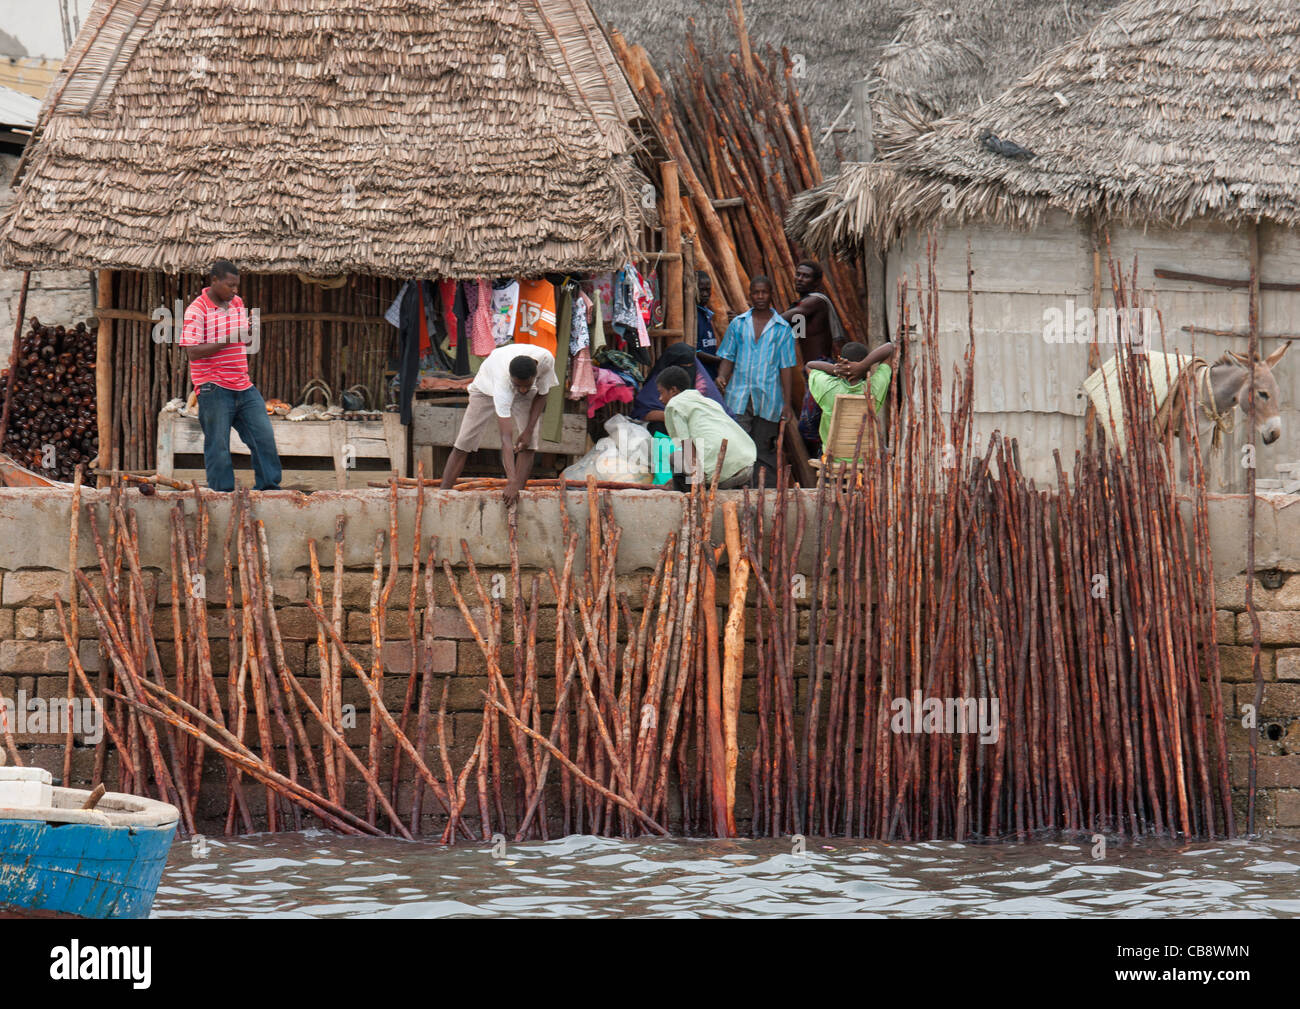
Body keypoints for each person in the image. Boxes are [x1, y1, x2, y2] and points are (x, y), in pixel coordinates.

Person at [180, 260, 282, 492]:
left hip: (243, 386)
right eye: (230, 285)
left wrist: (247, 333)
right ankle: (221, 497)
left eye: (236, 286)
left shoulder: (237, 302)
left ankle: (269, 490)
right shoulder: (197, 309)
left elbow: (243, 340)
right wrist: (229, 336)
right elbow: (193, 352)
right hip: (213, 388)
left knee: (264, 438)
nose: (235, 291)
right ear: (214, 281)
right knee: (218, 447)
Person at [439, 343, 557, 505]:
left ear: (535, 374)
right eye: (518, 385)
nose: (522, 390)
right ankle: (442, 495)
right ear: (511, 378)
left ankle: (516, 496)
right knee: (464, 441)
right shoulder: (503, 381)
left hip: (525, 387)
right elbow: (506, 438)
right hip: (484, 390)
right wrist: (511, 480)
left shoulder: (546, 360)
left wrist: (528, 430)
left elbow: (542, 393)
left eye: (526, 385)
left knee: (529, 444)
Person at [715, 275, 797, 478]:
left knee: (763, 450)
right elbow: (728, 356)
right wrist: (721, 377)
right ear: (750, 295)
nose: (760, 296)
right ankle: (739, 491)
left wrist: (787, 403)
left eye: (764, 292)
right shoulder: (738, 324)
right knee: (738, 446)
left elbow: (786, 367)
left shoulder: (782, 329)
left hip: (768, 398)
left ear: (771, 295)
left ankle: (764, 495)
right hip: (738, 395)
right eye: (756, 292)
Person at [657, 365, 755, 490]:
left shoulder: (675, 405)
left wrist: (694, 478)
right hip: (747, 467)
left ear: (673, 390)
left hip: (722, 474)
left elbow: (686, 444)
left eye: (661, 393)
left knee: (675, 457)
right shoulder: (708, 402)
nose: (660, 399)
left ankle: (688, 496)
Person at [804, 341, 895, 458]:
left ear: (840, 361)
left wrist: (835, 369)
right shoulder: (875, 388)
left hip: (832, 460)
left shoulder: (827, 388)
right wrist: (862, 365)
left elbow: (809, 365)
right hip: (865, 460)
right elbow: (890, 349)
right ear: (868, 367)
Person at [632, 341, 728, 435]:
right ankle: (671, 451)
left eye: (690, 367)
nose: (687, 373)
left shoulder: (701, 383)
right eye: (682, 367)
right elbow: (643, 412)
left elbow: (719, 414)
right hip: (669, 426)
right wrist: (676, 417)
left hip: (700, 430)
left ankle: (686, 450)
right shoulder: (658, 383)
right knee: (658, 428)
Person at [694, 271, 719, 377]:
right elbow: (695, 352)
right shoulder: (694, 316)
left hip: (711, 375)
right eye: (701, 290)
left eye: (707, 290)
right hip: (700, 377)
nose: (705, 294)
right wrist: (719, 360)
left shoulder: (706, 314)